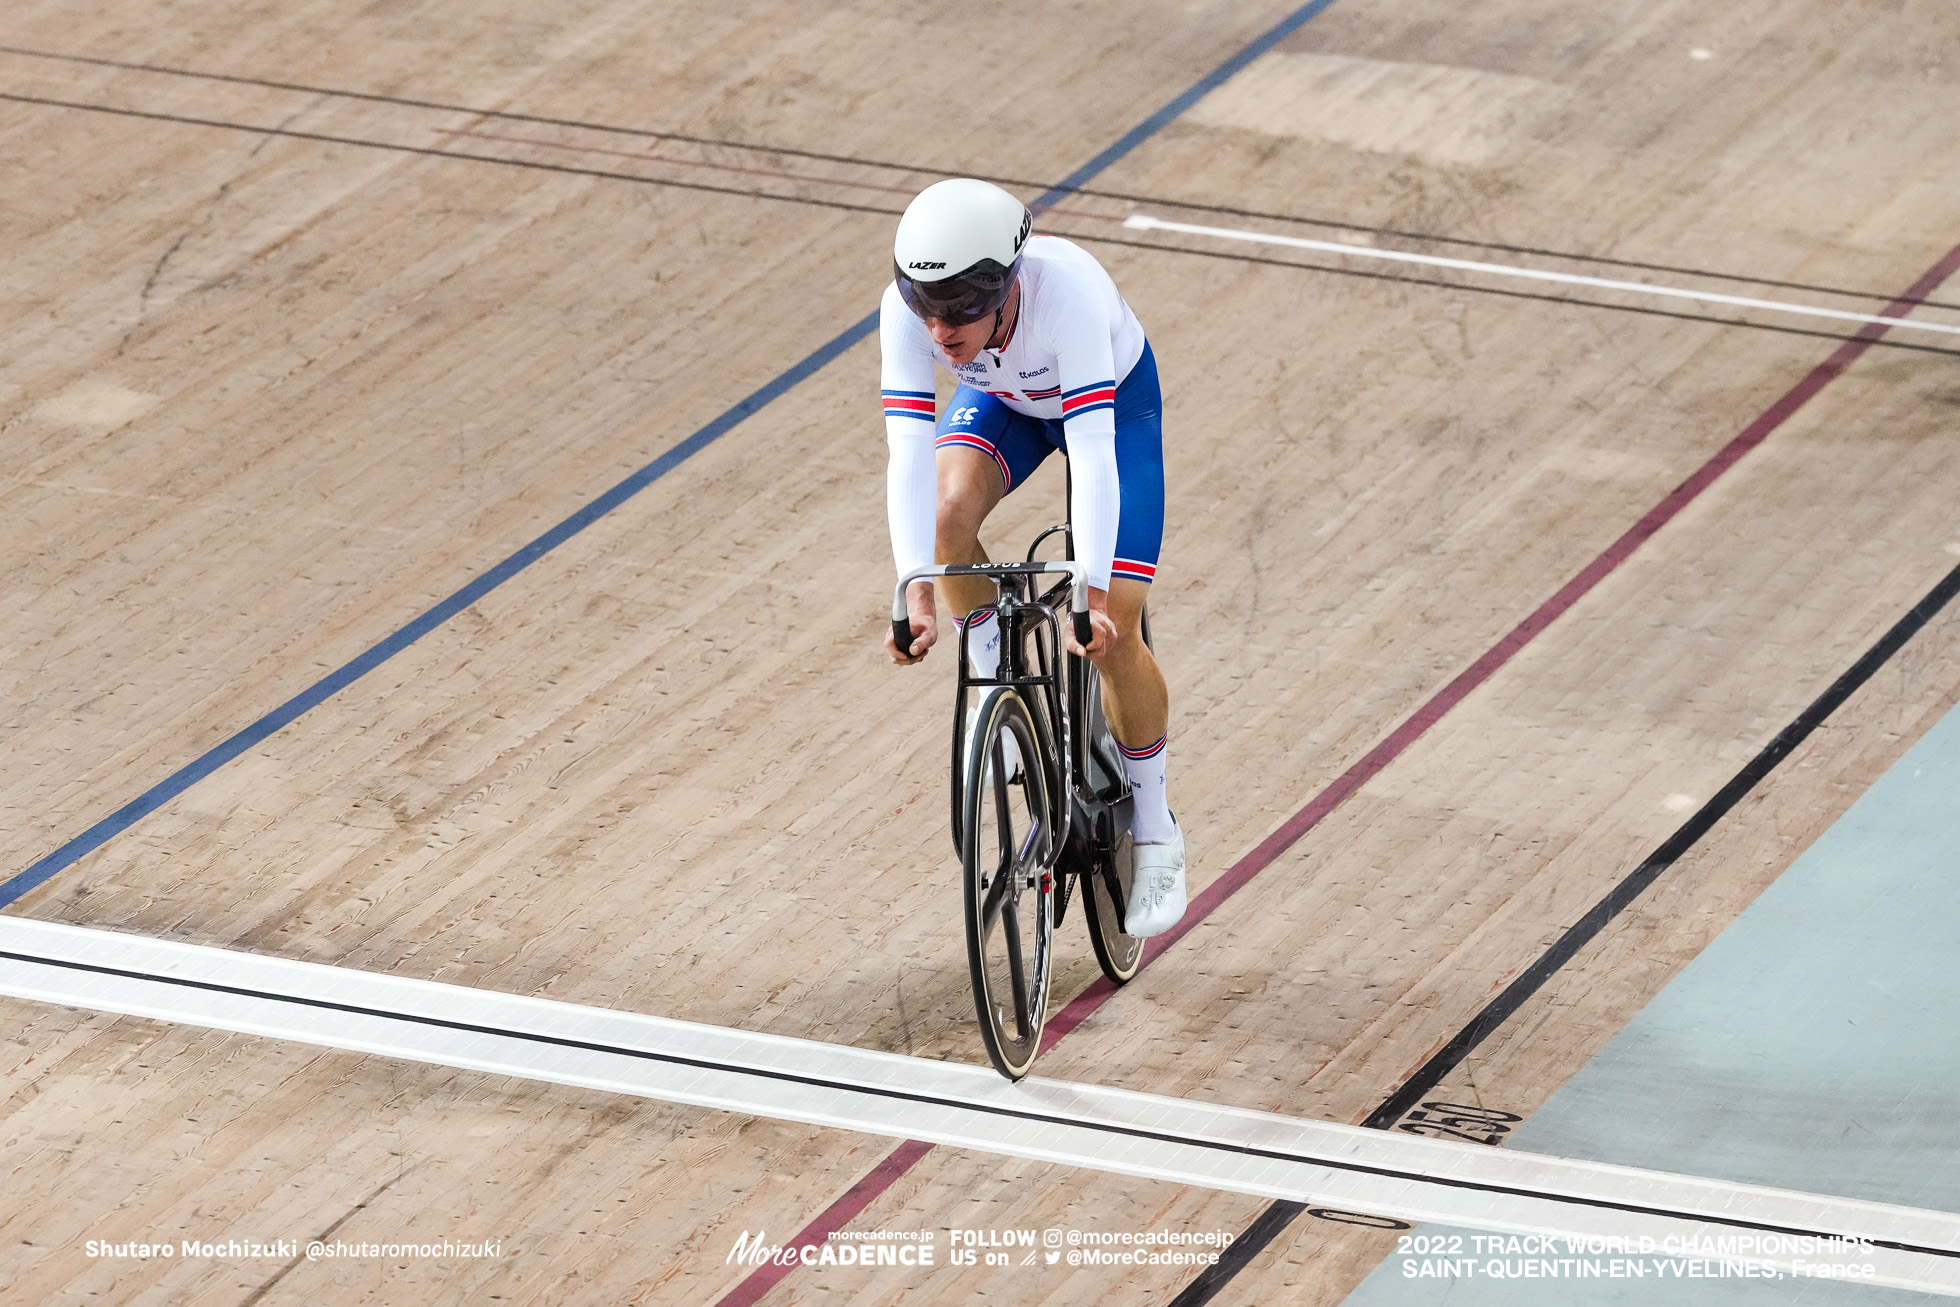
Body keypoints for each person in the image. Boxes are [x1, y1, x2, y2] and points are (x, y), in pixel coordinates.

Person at [878, 177, 1186, 937]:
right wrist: (914, 584)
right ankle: (992, 668)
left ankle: (1156, 832)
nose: (942, 331)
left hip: (1108, 407)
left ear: (1007, 285)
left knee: (1115, 619)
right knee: (946, 517)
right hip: (1009, 407)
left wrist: (1090, 594)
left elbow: (1093, 451)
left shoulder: (1068, 294)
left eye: (961, 310)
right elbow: (907, 452)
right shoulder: (910, 313)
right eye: (927, 307)